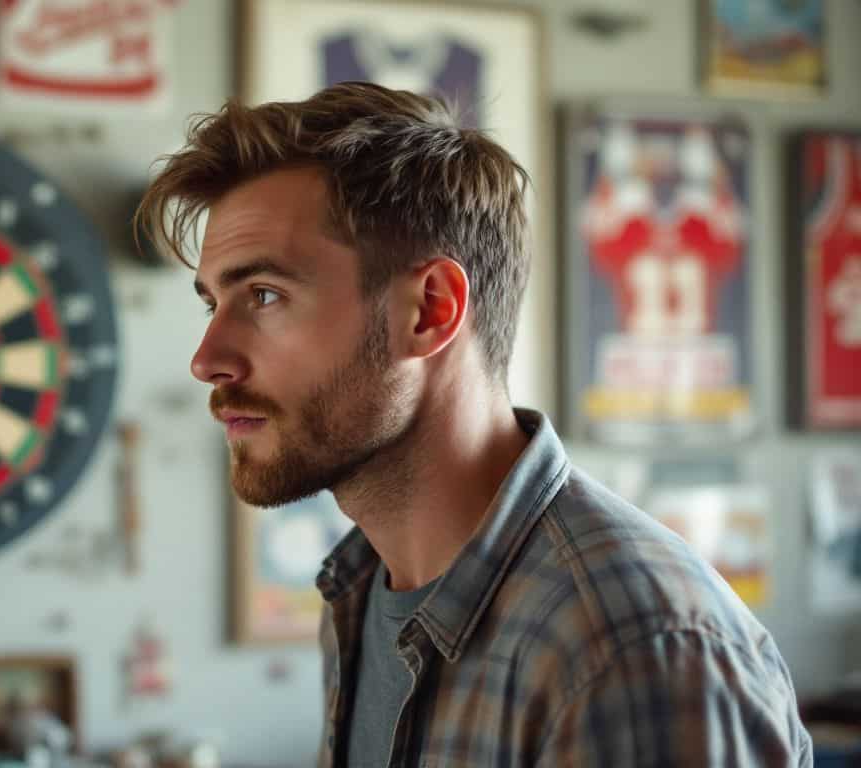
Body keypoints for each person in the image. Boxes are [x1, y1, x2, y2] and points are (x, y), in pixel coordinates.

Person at [136, 82, 811, 767]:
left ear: (430, 311)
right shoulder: (363, 591)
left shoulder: (630, 647)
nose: (206, 360)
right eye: (212, 304)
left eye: (265, 295)